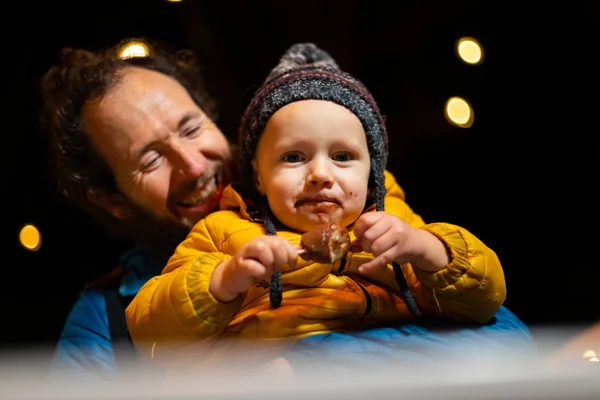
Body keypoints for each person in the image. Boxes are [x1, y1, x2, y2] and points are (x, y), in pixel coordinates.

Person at [41, 37, 535, 381]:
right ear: (110, 199)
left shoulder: (392, 221)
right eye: (150, 158)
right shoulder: (102, 321)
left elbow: (506, 341)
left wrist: (315, 363)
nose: (193, 165)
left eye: (192, 129)